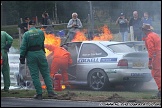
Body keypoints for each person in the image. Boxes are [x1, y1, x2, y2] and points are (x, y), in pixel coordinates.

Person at [19, 20, 57, 100]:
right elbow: (42, 42)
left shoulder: (26, 34)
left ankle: (39, 94)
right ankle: (50, 92)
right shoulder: (40, 32)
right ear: (35, 25)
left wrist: (22, 57)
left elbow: (23, 47)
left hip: (31, 54)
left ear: (29, 26)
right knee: (46, 73)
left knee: (34, 75)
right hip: (40, 53)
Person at [142, 24, 161, 98]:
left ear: (145, 30)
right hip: (159, 55)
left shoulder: (149, 37)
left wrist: (150, 61)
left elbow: (151, 50)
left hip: (156, 57)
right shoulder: (155, 35)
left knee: (156, 74)